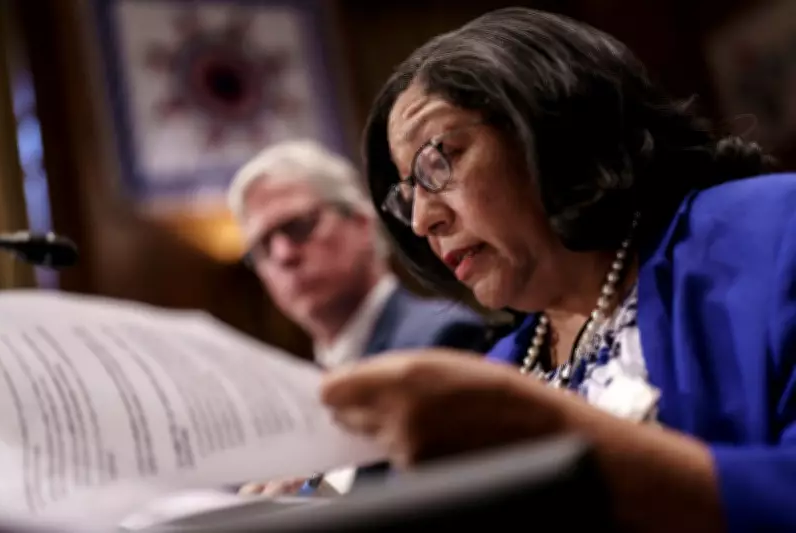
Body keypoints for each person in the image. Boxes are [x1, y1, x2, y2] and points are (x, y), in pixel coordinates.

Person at [319, 7, 796, 533]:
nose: (422, 219)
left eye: (439, 162)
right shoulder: (498, 369)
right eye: (407, 194)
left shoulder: (772, 230)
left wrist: (566, 442)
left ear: (549, 122)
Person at [226, 140, 493, 495]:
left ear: (362, 223)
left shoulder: (440, 339)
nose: (283, 255)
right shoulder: (301, 393)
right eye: (262, 246)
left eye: (298, 226)